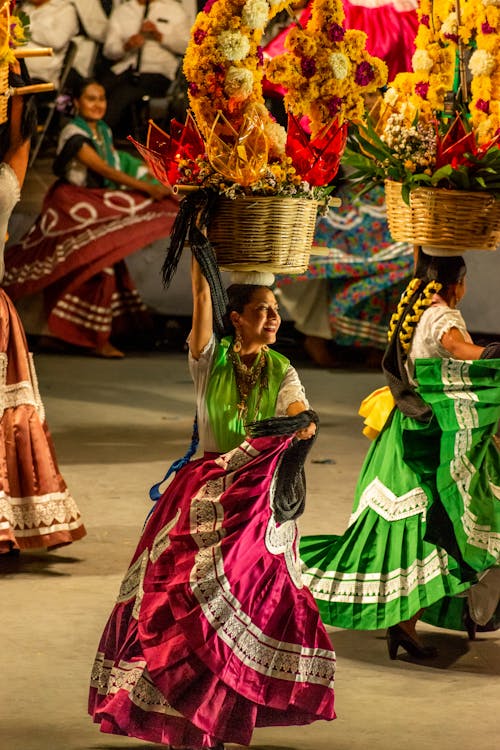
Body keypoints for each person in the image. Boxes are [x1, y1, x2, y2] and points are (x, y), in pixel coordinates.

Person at [88, 247, 336, 746]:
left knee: (241, 607)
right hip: (202, 496)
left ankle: (220, 716)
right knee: (185, 605)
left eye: (275, 311)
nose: (274, 318)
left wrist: (299, 422)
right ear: (235, 318)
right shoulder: (208, 358)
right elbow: (201, 292)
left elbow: (298, 408)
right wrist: (199, 239)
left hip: (255, 502)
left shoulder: (282, 366)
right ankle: (187, 716)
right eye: (263, 311)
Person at [299, 249, 500, 657]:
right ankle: (410, 623)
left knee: (418, 528)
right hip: (430, 433)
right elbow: (460, 350)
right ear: (457, 284)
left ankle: (409, 623)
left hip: (404, 427)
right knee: (443, 522)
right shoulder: (443, 315)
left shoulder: (414, 308)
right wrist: (492, 354)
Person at [3, 78, 178, 358]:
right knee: (90, 263)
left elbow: (116, 162)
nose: (98, 105)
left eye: (101, 99)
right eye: (91, 99)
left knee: (97, 258)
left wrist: (152, 175)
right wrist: (146, 188)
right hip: (72, 205)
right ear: (76, 103)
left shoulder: (103, 131)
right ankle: (95, 339)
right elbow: (104, 170)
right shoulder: (73, 132)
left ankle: (55, 334)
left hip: (92, 204)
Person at [0, 58, 86, 554]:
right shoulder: (6, 180)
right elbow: (19, 145)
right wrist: (17, 101)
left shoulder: (3, 184)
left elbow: (17, 145)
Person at [275, 180, 414, 368]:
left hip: (389, 200)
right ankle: (316, 336)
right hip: (352, 201)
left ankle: (380, 347)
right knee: (321, 263)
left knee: (401, 267)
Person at [101, 0, 191, 137]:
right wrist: (127, 46)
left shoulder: (174, 10)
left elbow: (188, 45)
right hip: (124, 68)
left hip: (158, 72)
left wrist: (160, 36)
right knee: (97, 89)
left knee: (121, 95)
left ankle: (98, 139)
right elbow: (108, 50)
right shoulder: (123, 10)